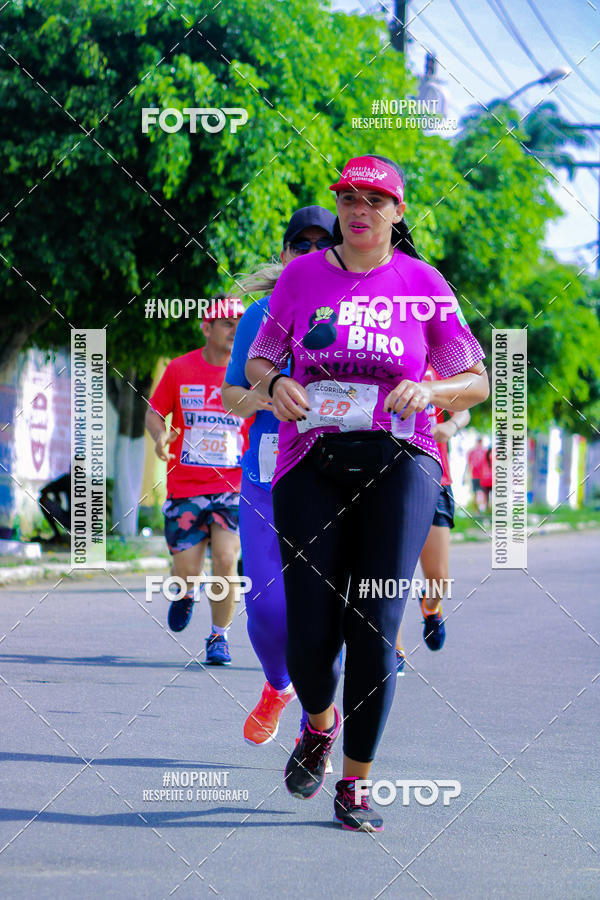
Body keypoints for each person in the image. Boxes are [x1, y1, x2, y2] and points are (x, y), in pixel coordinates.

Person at [246, 154, 489, 832]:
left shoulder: (422, 283)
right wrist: (274, 385)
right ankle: (317, 726)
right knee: (309, 633)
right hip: (310, 458)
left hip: (401, 460)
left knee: (375, 627)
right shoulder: (301, 279)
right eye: (350, 198)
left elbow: (476, 380)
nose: (360, 210)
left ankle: (355, 784)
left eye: (376, 201)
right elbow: (264, 356)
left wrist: (432, 388)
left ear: (397, 213)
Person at [222, 206, 336, 746]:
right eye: (301, 243)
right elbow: (231, 397)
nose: (312, 252)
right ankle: (276, 685)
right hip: (267, 480)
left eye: (323, 242)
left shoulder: (361, 315)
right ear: (286, 254)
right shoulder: (262, 313)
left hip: (337, 479)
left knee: (324, 615)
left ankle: (317, 725)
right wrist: (273, 395)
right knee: (268, 611)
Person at [145, 298, 249, 665]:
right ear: (206, 328)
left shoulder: (249, 373)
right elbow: (155, 414)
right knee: (187, 570)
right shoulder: (180, 368)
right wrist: (160, 436)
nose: (235, 329)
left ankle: (219, 637)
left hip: (233, 487)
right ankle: (186, 592)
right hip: (186, 487)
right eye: (226, 323)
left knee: (226, 558)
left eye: (241, 321)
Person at [395, 374, 470, 675]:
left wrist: (450, 426)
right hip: (389, 476)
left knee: (438, 578)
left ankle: (431, 608)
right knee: (392, 572)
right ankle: (393, 648)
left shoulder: (437, 367)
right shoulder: (383, 352)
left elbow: (462, 409)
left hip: (435, 478)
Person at [38, 470, 71, 543]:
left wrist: (57, 494)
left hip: (71, 522)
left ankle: (57, 535)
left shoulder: (67, 479)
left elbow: (43, 491)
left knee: (42, 500)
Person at [467, 437, 486, 512]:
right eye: (479, 441)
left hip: (483, 475)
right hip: (475, 474)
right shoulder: (472, 451)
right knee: (475, 492)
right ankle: (476, 509)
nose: (479, 443)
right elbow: (469, 463)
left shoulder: (484, 451)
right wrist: (469, 473)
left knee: (483, 491)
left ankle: (483, 507)